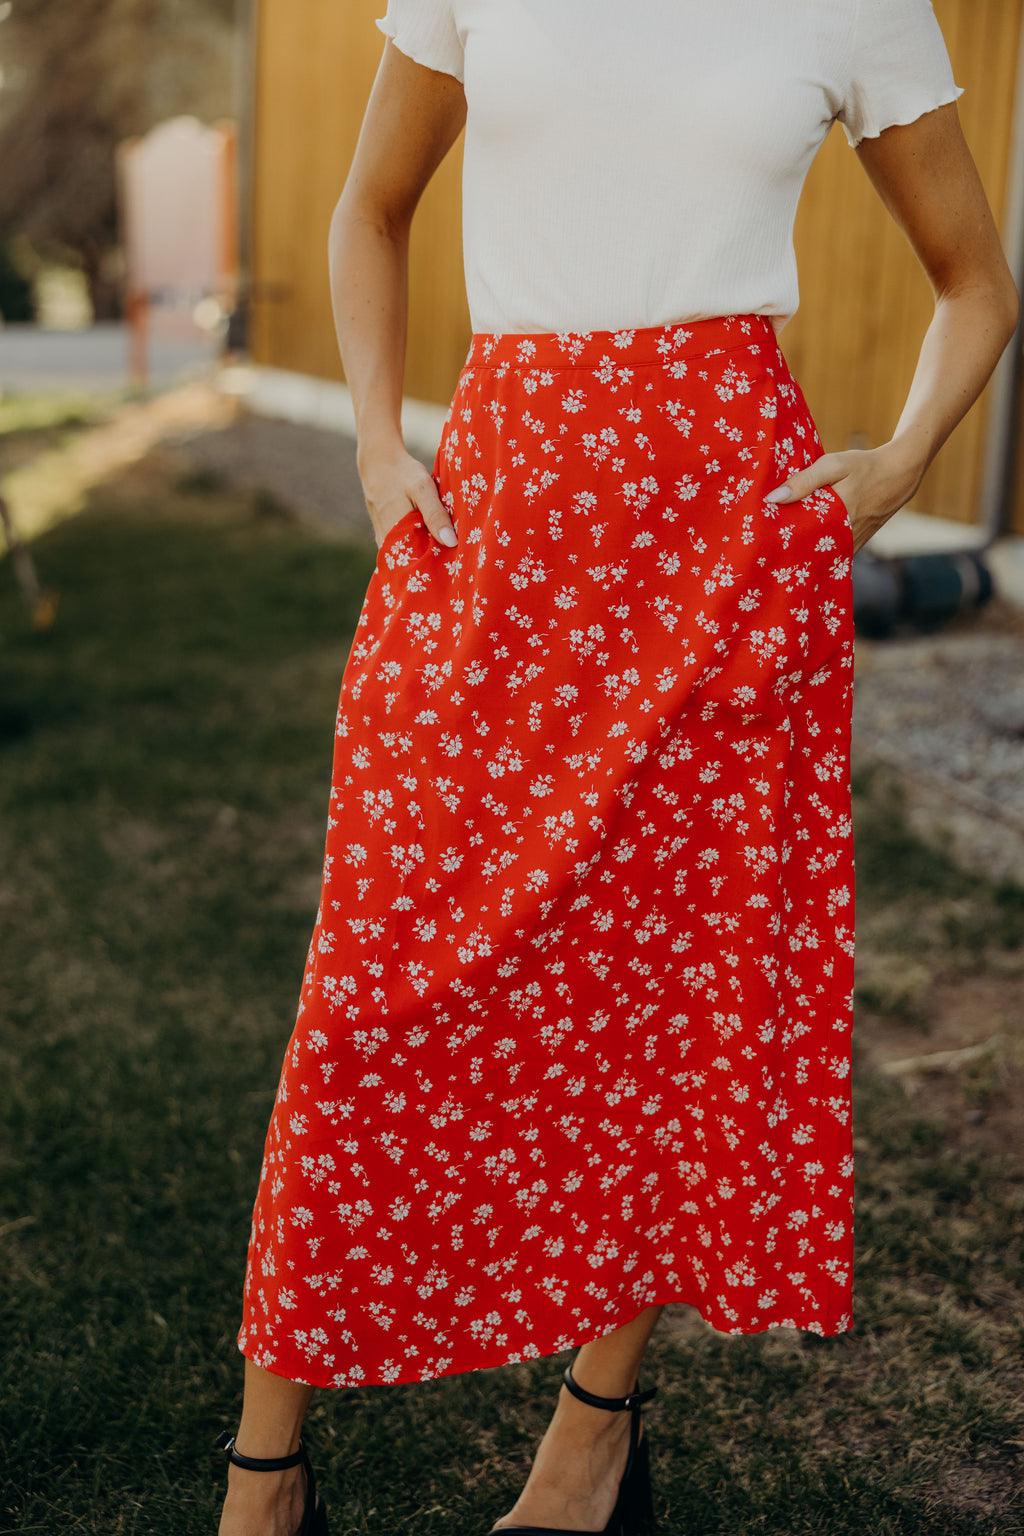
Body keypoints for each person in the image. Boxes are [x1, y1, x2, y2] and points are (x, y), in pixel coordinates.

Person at [216, 3, 1018, 1533]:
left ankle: (591, 1440)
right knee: (380, 969)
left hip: (726, 541)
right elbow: (370, 206)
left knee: (669, 988)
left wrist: (905, 460)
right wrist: (383, 450)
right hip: (503, 527)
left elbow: (977, 283)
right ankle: (267, 1469)